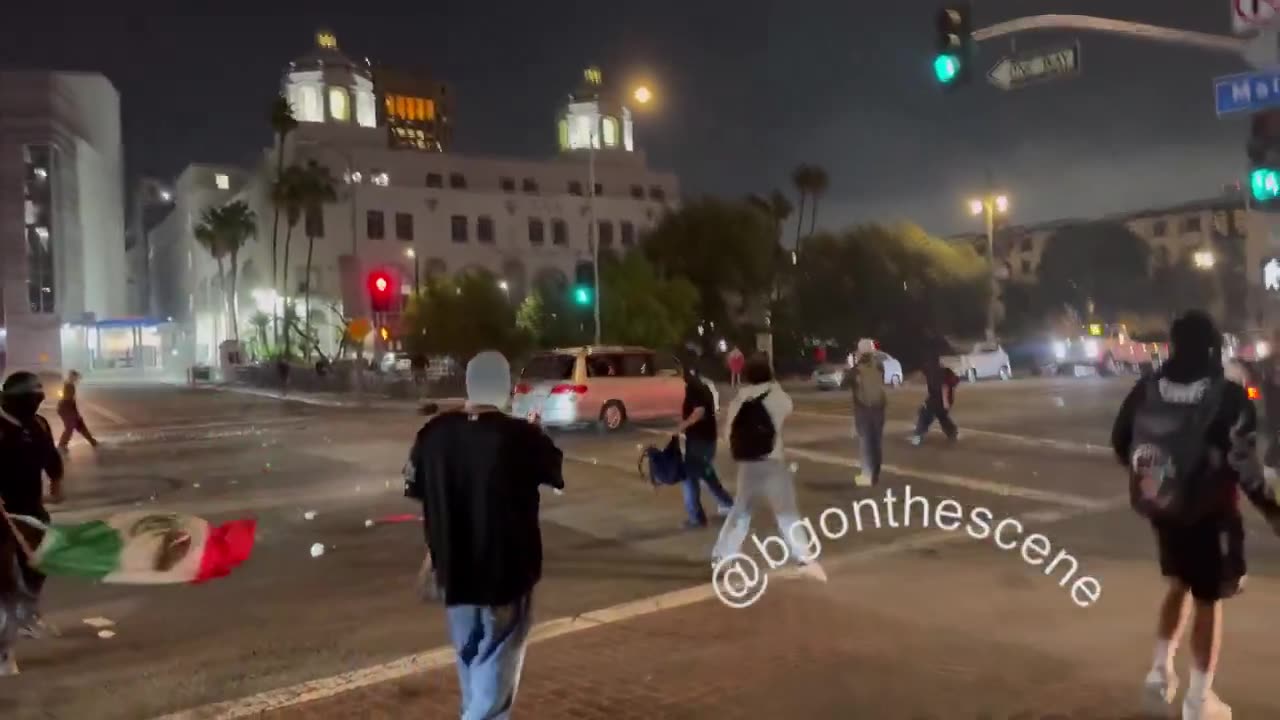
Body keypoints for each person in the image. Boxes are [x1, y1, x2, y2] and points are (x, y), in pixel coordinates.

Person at [1112, 310, 1280, 720]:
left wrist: (1160, 474)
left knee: (1179, 584)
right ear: (1212, 347)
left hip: (1163, 508)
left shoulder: (1146, 389)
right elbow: (1244, 467)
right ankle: (1199, 700)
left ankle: (1158, 673)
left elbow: (1121, 444)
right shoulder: (1227, 397)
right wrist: (1273, 512)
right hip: (1211, 514)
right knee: (1208, 600)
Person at [403, 351, 564, 720]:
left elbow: (417, 490)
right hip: (505, 570)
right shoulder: (521, 436)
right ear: (505, 388)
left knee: (471, 657)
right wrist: (537, 430)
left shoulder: (432, 434)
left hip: (452, 568)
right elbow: (555, 472)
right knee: (498, 666)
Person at [713, 354, 825, 580]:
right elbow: (788, 408)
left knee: (741, 511)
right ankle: (803, 556)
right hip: (772, 460)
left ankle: (722, 556)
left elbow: (728, 433)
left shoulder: (740, 399)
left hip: (747, 463)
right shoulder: (777, 396)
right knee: (786, 511)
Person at [0, 371, 65, 673]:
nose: (35, 404)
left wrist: (56, 482)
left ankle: (27, 614)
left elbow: (51, 458)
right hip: (1, 516)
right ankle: (3, 653)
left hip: (32, 511)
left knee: (41, 563)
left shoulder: (38, 426)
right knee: (6, 585)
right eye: (29, 398)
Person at [673, 365, 734, 529]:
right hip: (706, 440)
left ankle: (696, 519)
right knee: (707, 474)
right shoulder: (704, 387)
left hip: (700, 442)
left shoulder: (694, 388)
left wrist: (681, 426)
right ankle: (728, 504)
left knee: (689, 479)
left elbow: (699, 412)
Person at [850, 339, 887, 487]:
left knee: (865, 443)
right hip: (879, 408)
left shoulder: (856, 370)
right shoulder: (879, 365)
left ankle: (866, 476)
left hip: (864, 410)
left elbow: (844, 383)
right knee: (876, 443)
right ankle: (875, 475)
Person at [910, 354, 959, 446]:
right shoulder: (943, 370)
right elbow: (953, 382)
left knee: (924, 414)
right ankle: (952, 432)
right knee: (941, 415)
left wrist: (945, 402)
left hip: (940, 400)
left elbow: (944, 387)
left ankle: (918, 436)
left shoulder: (935, 372)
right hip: (943, 399)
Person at [56, 370, 98, 452]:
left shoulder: (69, 384)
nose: (77, 380)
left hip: (65, 408)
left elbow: (70, 400)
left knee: (79, 425)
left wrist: (75, 413)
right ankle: (61, 446)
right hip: (65, 409)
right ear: (73, 377)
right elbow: (69, 399)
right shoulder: (69, 385)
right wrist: (74, 413)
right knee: (70, 427)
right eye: (76, 378)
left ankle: (93, 442)